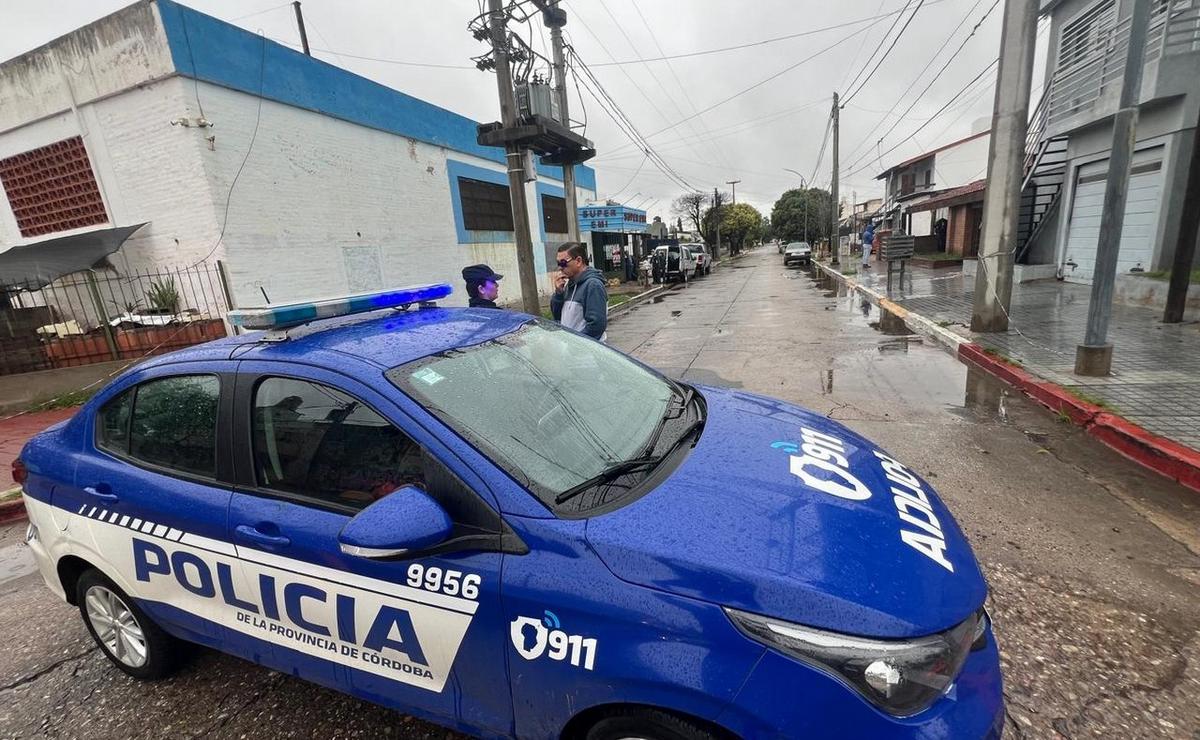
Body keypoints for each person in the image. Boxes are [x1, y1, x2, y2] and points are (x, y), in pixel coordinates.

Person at [550, 242, 608, 341]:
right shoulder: (569, 284)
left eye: (563, 263)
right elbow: (557, 316)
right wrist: (559, 294)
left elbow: (596, 326)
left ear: (578, 261)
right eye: (558, 263)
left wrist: (575, 343)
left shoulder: (593, 285)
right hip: (572, 349)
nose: (560, 267)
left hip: (587, 351)